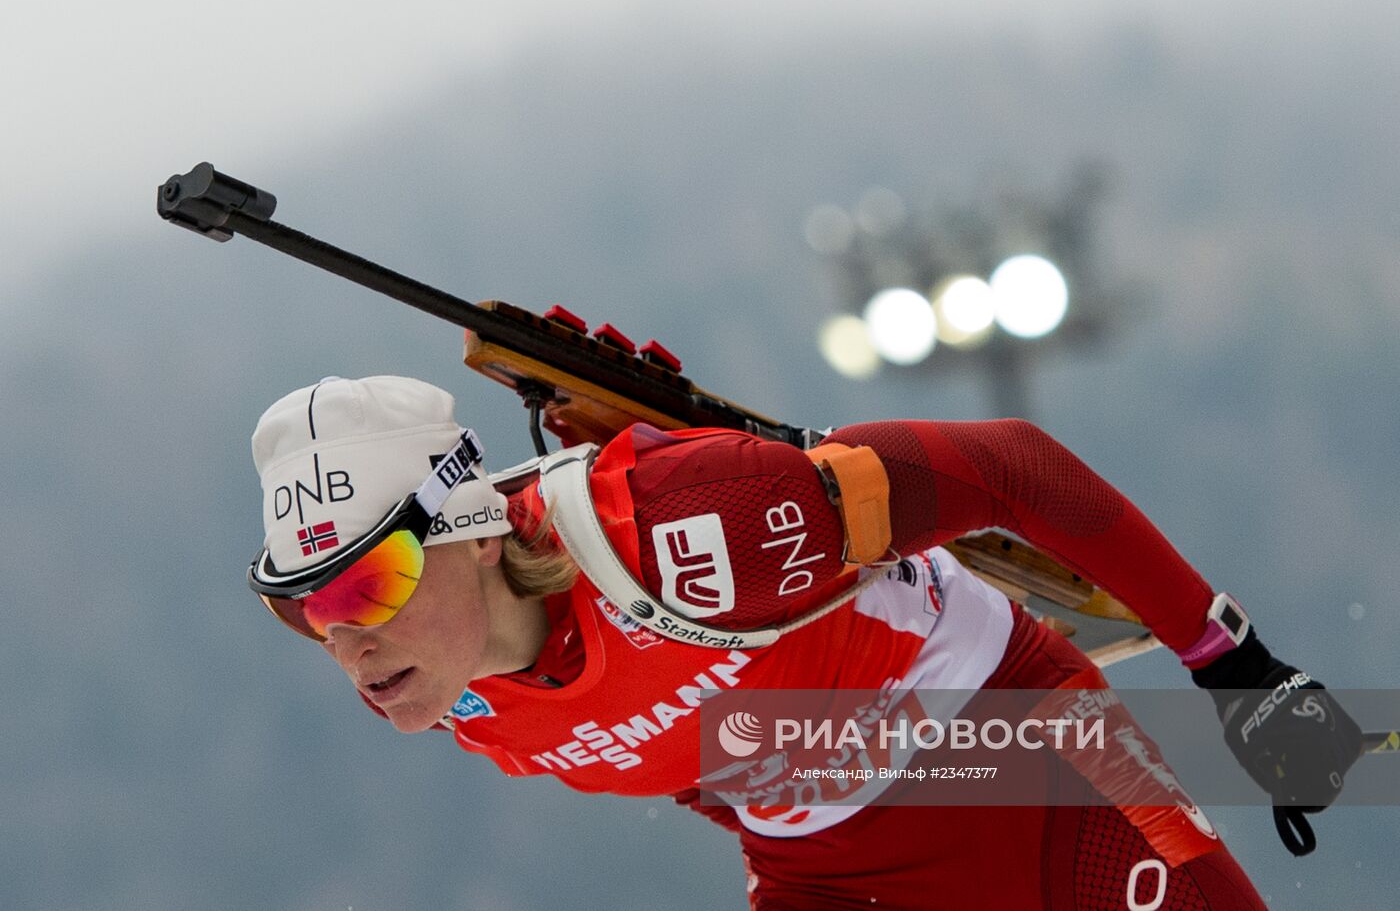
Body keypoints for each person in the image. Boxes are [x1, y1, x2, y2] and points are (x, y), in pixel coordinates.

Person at [247, 375, 1360, 910]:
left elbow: (1010, 464)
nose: (348, 640)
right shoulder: (453, 699)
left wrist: (1231, 665)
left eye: (373, 581)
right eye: (306, 610)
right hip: (823, 870)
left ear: (479, 534)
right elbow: (686, 738)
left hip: (1016, 763)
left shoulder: (686, 525)